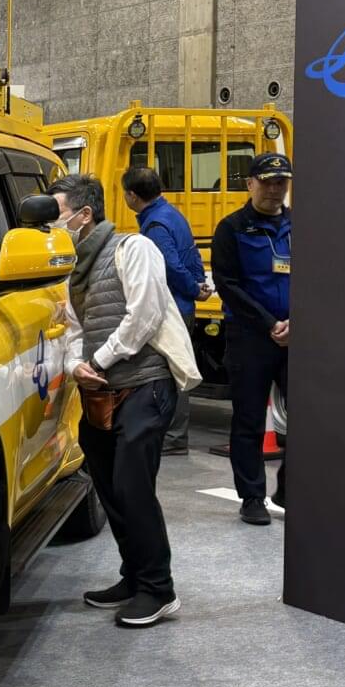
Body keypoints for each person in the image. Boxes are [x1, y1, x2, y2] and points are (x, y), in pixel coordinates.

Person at [50, 174, 199, 628]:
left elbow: (145, 314)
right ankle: (134, 576)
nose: (53, 225)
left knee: (134, 489)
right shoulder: (73, 268)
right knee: (111, 489)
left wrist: (98, 359)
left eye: (58, 214)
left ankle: (158, 588)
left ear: (84, 214)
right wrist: (75, 364)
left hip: (145, 385)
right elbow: (72, 327)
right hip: (101, 392)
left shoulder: (133, 248)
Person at [211, 152, 292, 526]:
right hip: (249, 338)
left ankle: (289, 488)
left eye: (281, 182)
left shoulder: (300, 224)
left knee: (307, 417)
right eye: (268, 182)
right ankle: (252, 497)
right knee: (248, 419)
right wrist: (269, 324)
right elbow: (227, 284)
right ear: (250, 184)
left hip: (295, 336)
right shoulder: (232, 229)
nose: (275, 189)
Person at [122, 166, 210, 455]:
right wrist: (198, 283)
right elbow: (192, 255)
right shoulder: (171, 215)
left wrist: (193, 289)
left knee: (173, 370)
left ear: (132, 196)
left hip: (172, 307)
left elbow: (170, 266)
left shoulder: (155, 225)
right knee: (176, 367)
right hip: (183, 304)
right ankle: (173, 435)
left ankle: (173, 437)